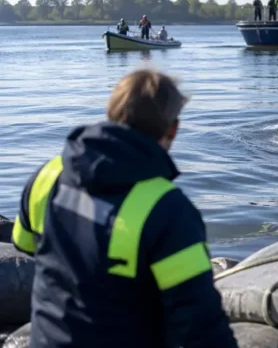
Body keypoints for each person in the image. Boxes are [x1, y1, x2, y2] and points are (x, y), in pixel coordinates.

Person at [11, 69, 239, 348]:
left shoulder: (48, 174)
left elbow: (24, 245)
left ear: (112, 112)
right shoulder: (168, 209)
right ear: (173, 128)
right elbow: (201, 324)